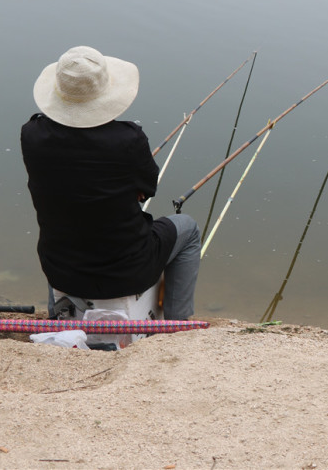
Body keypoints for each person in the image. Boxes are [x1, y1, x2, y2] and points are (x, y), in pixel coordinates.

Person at [20, 45, 202, 320]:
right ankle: (176, 325)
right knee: (187, 228)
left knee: (62, 231)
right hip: (128, 271)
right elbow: (147, 189)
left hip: (61, 269)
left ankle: (57, 316)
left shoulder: (31, 135)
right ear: (106, 92)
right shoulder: (129, 140)